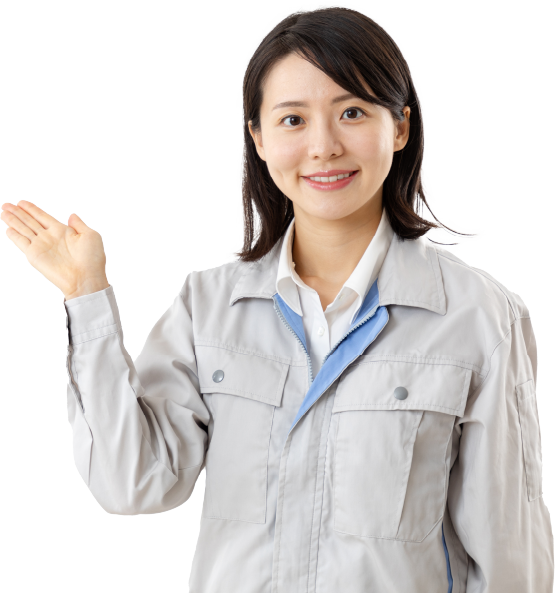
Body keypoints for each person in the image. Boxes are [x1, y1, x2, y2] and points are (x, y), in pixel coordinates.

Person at [1, 5, 553, 593]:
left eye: (352, 112)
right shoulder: (209, 306)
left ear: (399, 127)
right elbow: (133, 482)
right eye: (293, 119)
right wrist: (86, 297)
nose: (323, 146)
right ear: (258, 138)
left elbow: (511, 558)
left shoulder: (478, 317)